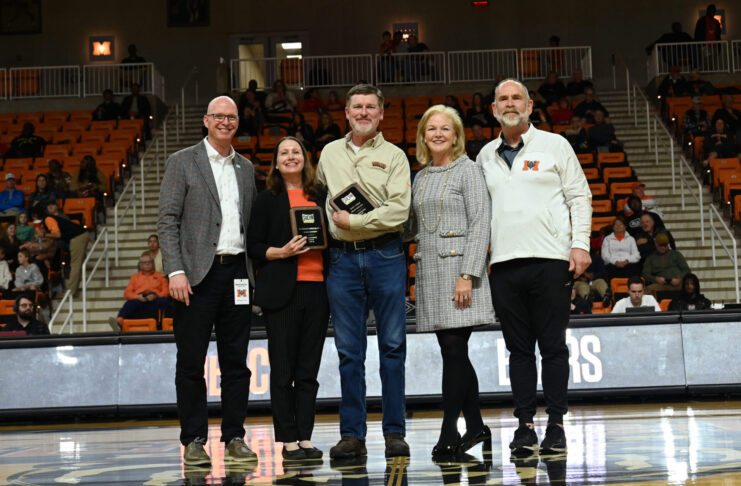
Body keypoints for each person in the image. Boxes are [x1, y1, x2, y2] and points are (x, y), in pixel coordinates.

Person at [478, 78, 592, 455]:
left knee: (554, 348)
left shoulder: (555, 145)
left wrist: (579, 245)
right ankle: (525, 426)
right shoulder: (484, 156)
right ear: (493, 109)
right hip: (505, 265)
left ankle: (556, 425)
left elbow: (580, 196)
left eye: (517, 98)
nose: (510, 104)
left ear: (530, 105)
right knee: (519, 351)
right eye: (503, 100)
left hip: (551, 261)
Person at [158, 95, 258, 467]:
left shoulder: (246, 168)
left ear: (237, 122)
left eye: (231, 117)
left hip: (237, 275)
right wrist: (175, 270)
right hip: (195, 277)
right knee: (190, 362)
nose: (225, 122)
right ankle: (194, 440)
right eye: (218, 116)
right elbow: (167, 220)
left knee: (236, 363)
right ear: (205, 120)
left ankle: (234, 437)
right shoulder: (181, 162)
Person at [316, 84, 411, 459]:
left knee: (392, 348)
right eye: (357, 107)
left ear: (382, 113)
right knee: (349, 352)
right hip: (341, 261)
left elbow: (398, 212)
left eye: (371, 107)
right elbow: (320, 202)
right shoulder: (328, 154)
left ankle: (394, 433)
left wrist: (355, 222)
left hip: (385, 256)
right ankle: (352, 434)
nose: (364, 112)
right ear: (347, 112)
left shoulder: (395, 156)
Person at [408, 105, 494, 458]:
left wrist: (467, 275)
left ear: (456, 136)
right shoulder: (421, 176)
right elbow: (412, 227)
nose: (438, 134)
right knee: (453, 352)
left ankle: (449, 432)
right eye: (432, 129)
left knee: (454, 351)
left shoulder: (469, 170)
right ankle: (475, 426)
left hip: (460, 275)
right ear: (423, 136)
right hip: (430, 273)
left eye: (446, 129)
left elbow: (481, 223)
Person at [247, 136, 329, 461]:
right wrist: (280, 252)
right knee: (283, 372)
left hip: (318, 291)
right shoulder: (267, 199)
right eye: (284, 153)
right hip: (283, 293)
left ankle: (305, 437)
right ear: (276, 162)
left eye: (296, 152)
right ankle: (287, 439)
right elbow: (253, 245)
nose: (291, 157)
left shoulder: (319, 196)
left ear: (305, 159)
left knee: (308, 371)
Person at [31, 201, 88, 297]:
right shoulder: (47, 219)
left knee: (75, 264)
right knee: (75, 264)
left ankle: (70, 292)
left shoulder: (48, 219)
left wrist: (44, 235)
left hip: (78, 237)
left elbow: (58, 235)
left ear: (35, 215)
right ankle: (72, 290)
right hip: (77, 237)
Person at [116, 251, 170, 324]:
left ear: (153, 264)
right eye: (144, 262)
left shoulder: (161, 276)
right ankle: (120, 321)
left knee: (164, 301)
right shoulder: (135, 277)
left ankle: (163, 324)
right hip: (140, 300)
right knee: (129, 304)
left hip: (155, 299)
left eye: (149, 262)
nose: (147, 264)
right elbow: (127, 293)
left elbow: (166, 291)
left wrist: (156, 296)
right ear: (140, 265)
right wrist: (137, 297)